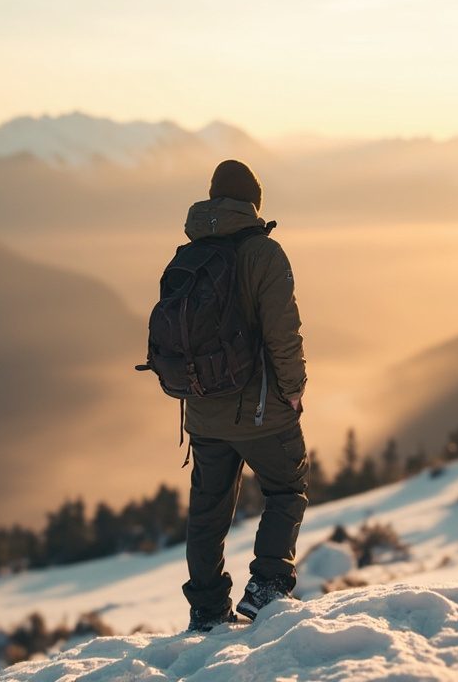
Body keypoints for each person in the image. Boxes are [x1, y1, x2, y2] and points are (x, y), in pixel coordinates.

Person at [180, 160, 309, 632]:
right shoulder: (263, 254)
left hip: (201, 410)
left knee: (208, 511)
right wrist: (292, 391)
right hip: (260, 411)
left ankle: (207, 610)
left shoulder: (189, 254)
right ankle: (269, 586)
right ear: (254, 203)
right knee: (287, 486)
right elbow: (283, 333)